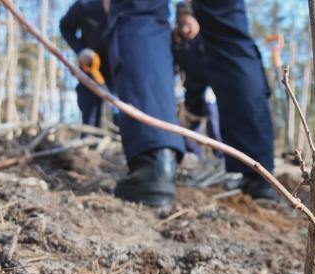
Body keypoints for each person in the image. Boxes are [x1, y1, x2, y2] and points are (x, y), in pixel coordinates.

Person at [107, 0, 276, 207]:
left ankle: (153, 162)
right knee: (228, 28)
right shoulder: (181, 45)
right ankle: (260, 175)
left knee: (141, 12)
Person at [171, 2, 222, 159]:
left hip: (210, 87)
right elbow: (173, 66)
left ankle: (221, 155)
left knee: (214, 120)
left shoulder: (208, 37)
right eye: (181, 25)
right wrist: (176, 85)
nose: (185, 29)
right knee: (189, 124)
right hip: (190, 88)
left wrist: (214, 84)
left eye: (188, 24)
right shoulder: (176, 41)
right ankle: (193, 155)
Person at [60, 0, 111, 127]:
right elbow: (65, 27)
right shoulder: (84, 5)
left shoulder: (130, 6)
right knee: (90, 116)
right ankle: (90, 137)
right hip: (91, 68)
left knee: (123, 115)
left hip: (120, 69)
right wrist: (81, 50)